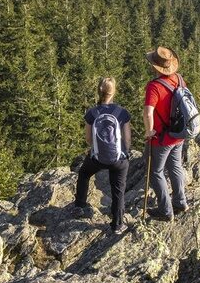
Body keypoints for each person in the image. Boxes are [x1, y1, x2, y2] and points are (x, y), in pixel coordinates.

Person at [72, 77, 132, 234]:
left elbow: (88, 139)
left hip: (97, 158)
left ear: (99, 91)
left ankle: (79, 206)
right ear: (114, 92)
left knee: (84, 173)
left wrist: (97, 149)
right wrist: (125, 153)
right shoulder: (121, 113)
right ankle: (117, 225)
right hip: (118, 159)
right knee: (118, 189)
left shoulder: (92, 113)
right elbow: (126, 138)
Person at [143, 46, 189, 222]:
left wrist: (149, 131)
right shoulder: (178, 78)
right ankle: (180, 202)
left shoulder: (154, 86)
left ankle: (166, 211)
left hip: (161, 137)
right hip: (178, 133)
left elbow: (148, 112)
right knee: (175, 166)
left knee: (155, 172)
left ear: (154, 66)